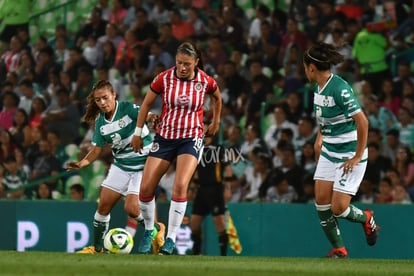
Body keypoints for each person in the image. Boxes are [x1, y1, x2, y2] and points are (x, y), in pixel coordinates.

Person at [131, 42, 222, 255]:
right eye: (179, 62)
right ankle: (150, 230)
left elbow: (217, 98)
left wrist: (215, 122)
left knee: (180, 186)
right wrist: (137, 132)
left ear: (196, 62)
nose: (182, 67)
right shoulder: (164, 78)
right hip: (165, 137)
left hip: (190, 138)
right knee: (145, 189)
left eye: (187, 64)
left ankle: (170, 239)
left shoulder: (205, 81)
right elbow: (145, 104)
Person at [67, 80, 165, 254]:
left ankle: (156, 229)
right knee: (102, 207)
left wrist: (152, 118)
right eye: (98, 100)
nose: (102, 103)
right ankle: (98, 249)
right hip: (121, 166)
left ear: (114, 95)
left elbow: (145, 114)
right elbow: (97, 149)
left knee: (131, 208)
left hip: (143, 164)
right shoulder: (100, 122)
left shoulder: (127, 108)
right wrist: (82, 163)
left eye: (105, 98)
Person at [303, 42, 380, 258]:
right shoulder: (318, 88)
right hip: (330, 150)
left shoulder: (340, 88)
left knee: (338, 208)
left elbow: (362, 122)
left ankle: (366, 218)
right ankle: (340, 249)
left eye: (304, 67)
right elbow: (326, 118)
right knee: (321, 202)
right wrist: (319, 139)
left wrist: (357, 156)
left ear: (311, 68)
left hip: (349, 153)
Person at [191, 135, 232, 256]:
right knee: (194, 223)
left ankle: (223, 255)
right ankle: (197, 252)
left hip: (215, 189)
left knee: (219, 222)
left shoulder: (219, 149)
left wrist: (228, 188)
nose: (202, 128)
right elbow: (197, 170)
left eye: (205, 125)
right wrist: (192, 187)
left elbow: (228, 169)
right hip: (201, 189)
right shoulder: (198, 147)